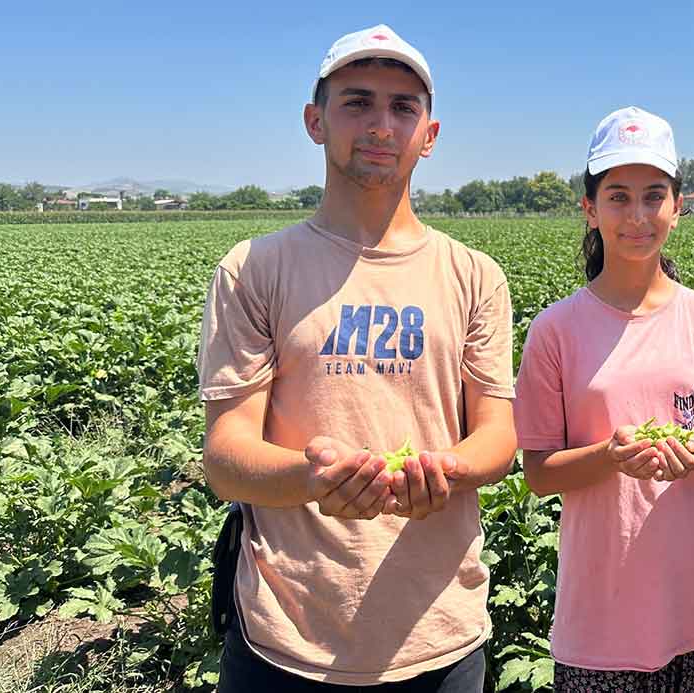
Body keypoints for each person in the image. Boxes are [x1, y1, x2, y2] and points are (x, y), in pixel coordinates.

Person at [198, 24, 517, 691]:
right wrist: (311, 477)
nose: (381, 123)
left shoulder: (473, 274)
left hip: (438, 636)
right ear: (316, 121)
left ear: (429, 135)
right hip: (285, 641)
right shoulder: (255, 268)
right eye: (357, 102)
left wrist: (451, 469)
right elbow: (226, 455)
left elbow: (498, 435)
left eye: (404, 107)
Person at [514, 106, 694, 691]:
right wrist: (610, 456)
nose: (637, 215)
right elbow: (540, 472)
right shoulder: (555, 330)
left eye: (654, 196)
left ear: (677, 207)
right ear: (591, 209)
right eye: (618, 197)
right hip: (603, 616)